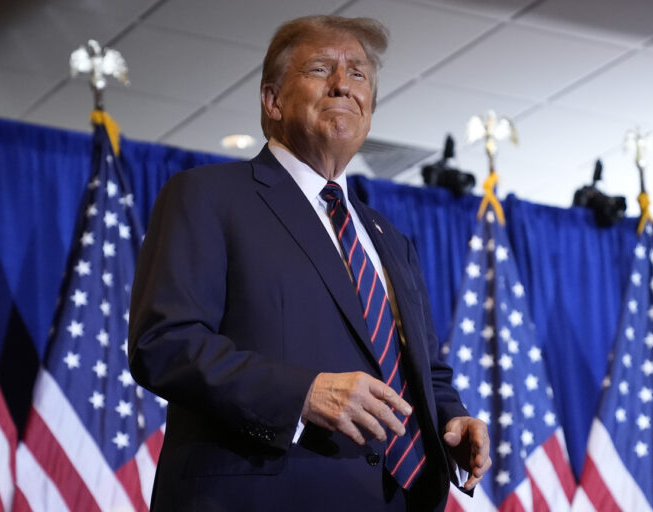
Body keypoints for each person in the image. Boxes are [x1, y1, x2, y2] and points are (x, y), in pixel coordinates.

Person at [128, 15, 490, 511]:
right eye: (321, 69)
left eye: (359, 74)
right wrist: (301, 394)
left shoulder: (390, 238)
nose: (344, 83)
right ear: (272, 101)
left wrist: (452, 417)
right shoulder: (208, 196)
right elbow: (163, 344)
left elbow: (428, 370)